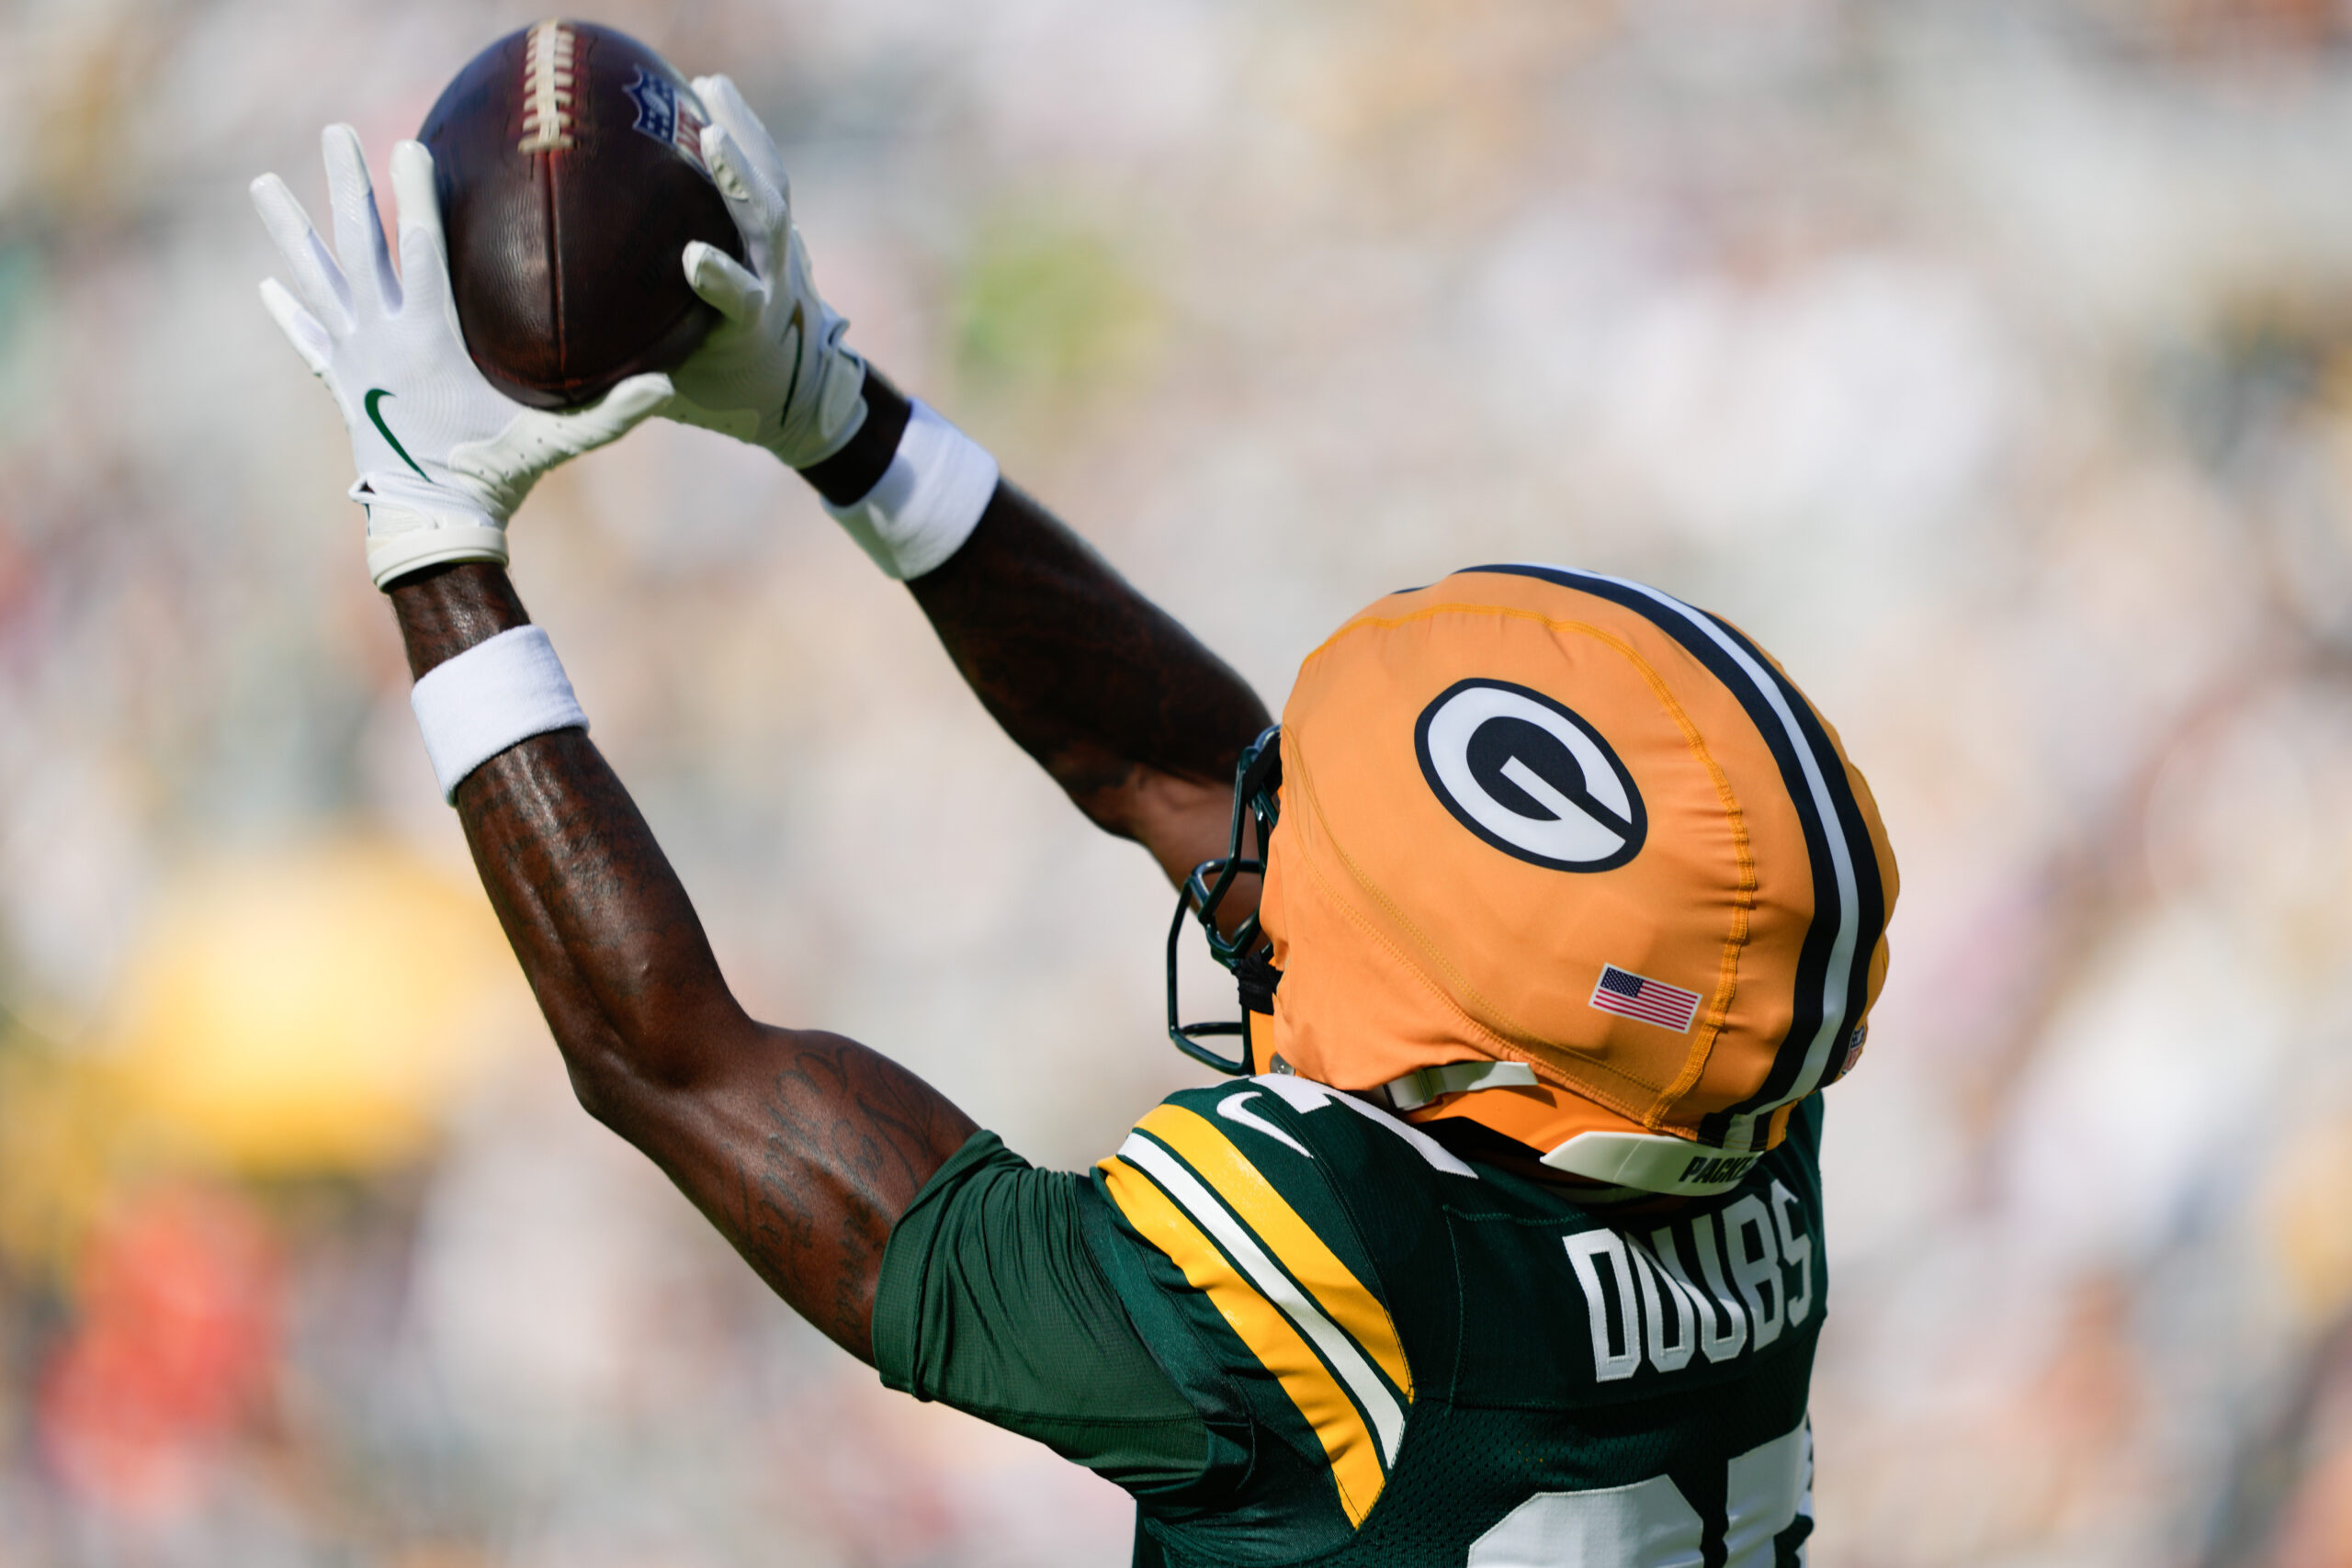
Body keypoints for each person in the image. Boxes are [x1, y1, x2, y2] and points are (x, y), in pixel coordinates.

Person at [250, 76, 1896, 1567]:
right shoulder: (1731, 1097)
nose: (1272, 856)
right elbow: (1183, 779)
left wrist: (431, 538)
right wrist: (837, 418)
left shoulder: (1341, 1279)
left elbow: (669, 1062)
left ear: (1490, 1064)